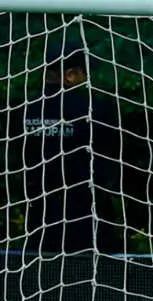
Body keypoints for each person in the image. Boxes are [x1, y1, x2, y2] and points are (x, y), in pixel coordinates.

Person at [13, 38, 122, 254]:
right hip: (87, 215)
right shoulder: (95, 110)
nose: (87, 78)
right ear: (70, 75)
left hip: (40, 215)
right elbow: (111, 157)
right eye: (84, 72)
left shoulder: (22, 110)